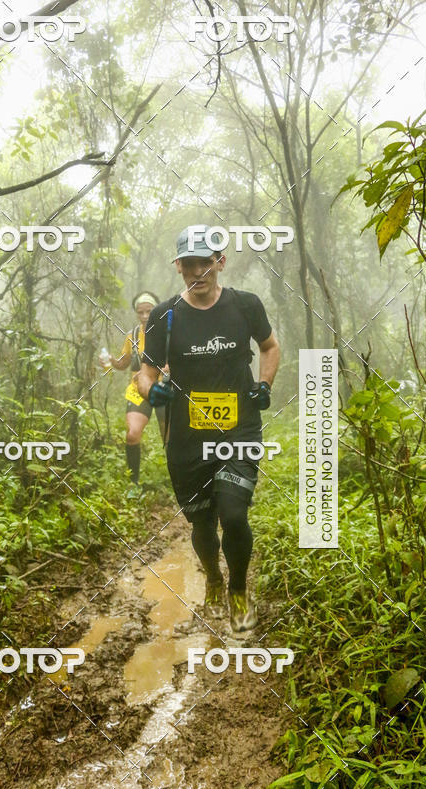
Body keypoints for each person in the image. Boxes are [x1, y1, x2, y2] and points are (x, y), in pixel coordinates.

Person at [138, 225, 280, 632]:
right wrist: (153, 394)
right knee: (202, 522)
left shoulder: (245, 305)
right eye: (189, 264)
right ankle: (213, 580)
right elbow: (145, 372)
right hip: (187, 436)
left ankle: (238, 589)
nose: (198, 272)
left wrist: (264, 385)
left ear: (220, 262)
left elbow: (270, 347)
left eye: (206, 262)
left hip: (239, 430)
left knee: (234, 514)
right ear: (179, 267)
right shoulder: (165, 315)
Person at [98, 292, 166, 487]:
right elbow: (124, 363)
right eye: (141, 312)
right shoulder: (133, 335)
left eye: (149, 311)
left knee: (168, 439)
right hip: (137, 390)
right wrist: (110, 360)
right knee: (132, 434)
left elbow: (178, 361)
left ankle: (178, 480)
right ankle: (133, 482)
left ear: (156, 311)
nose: (145, 316)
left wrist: (159, 370)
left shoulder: (167, 333)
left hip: (163, 387)